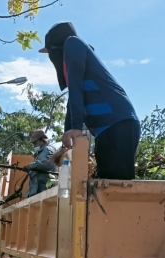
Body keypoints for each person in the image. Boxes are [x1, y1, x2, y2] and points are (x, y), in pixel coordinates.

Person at [39, 22, 140, 180]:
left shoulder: (73, 43)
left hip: (118, 123)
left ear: (55, 47)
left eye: (50, 52)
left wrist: (77, 127)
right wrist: (66, 145)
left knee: (116, 185)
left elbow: (76, 87)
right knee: (107, 182)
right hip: (105, 131)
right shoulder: (75, 55)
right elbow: (72, 100)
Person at [23, 130, 58, 198]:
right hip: (35, 191)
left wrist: (31, 166)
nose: (34, 146)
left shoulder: (48, 149)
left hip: (43, 191)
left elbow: (49, 165)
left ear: (42, 140)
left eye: (35, 143)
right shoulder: (40, 152)